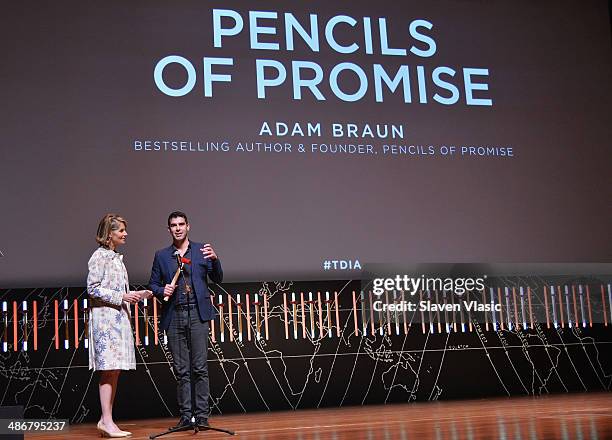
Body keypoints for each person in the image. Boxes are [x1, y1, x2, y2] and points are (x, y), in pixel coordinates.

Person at [149, 211, 222, 429]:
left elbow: (217, 278)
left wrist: (216, 260)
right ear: (168, 229)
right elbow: (153, 285)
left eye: (182, 224)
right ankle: (185, 417)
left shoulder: (201, 251)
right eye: (173, 225)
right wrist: (163, 288)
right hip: (175, 316)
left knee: (199, 368)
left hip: (198, 315)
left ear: (188, 226)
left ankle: (201, 417)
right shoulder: (162, 255)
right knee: (181, 370)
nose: (178, 228)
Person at [87, 213, 152, 438]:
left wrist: (134, 296)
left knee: (113, 370)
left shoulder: (114, 257)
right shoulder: (99, 256)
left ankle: (107, 420)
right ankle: (106, 420)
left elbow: (117, 292)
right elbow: (92, 288)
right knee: (108, 370)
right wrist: (123, 296)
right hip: (105, 321)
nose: (125, 234)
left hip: (117, 319)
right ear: (109, 233)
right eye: (121, 230)